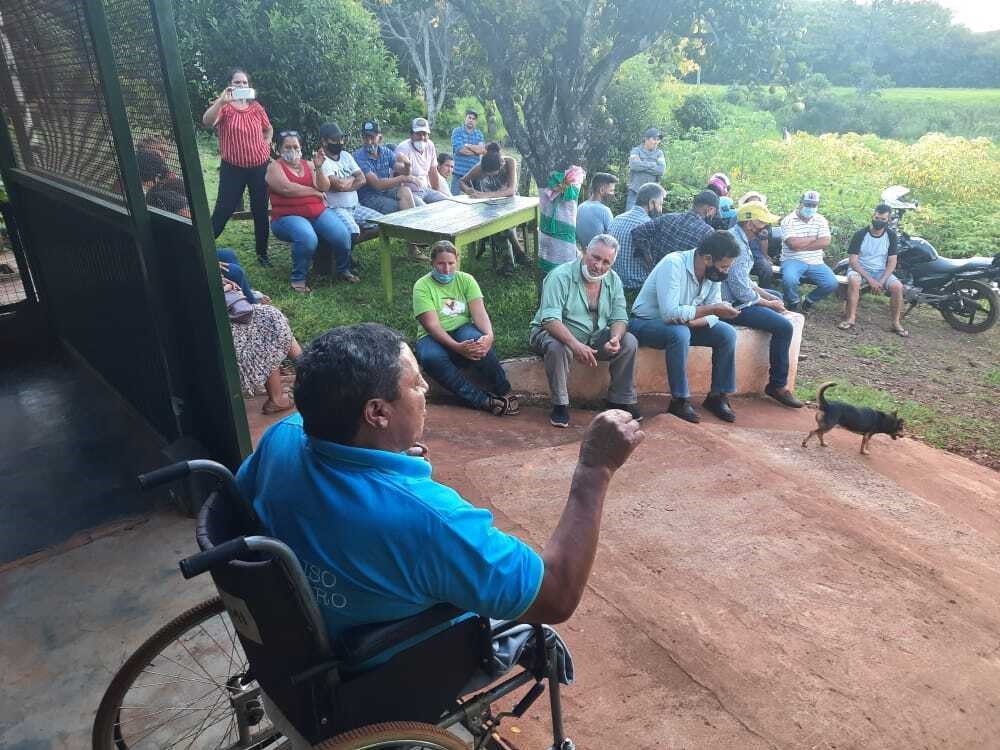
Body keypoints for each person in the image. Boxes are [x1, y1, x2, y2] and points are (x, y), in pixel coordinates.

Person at [236, 322, 645, 640]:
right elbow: (556, 595)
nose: (426, 388)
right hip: (388, 662)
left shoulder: (284, 435)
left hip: (294, 637)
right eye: (414, 384)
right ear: (377, 413)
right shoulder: (430, 520)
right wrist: (594, 471)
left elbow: (244, 503)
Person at [628, 231, 742, 424]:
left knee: (727, 333)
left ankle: (717, 396)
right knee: (680, 333)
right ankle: (679, 400)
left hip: (681, 326)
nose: (726, 272)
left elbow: (714, 315)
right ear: (707, 258)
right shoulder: (673, 263)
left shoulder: (712, 275)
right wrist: (711, 310)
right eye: (723, 266)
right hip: (644, 323)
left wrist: (694, 319)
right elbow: (670, 313)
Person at [530, 235, 641, 428]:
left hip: (594, 337)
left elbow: (620, 317)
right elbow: (550, 319)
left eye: (606, 262)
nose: (598, 266)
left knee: (628, 341)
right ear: (584, 251)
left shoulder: (614, 281)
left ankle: (619, 400)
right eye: (595, 257)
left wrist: (615, 338)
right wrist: (575, 345)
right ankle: (560, 404)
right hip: (553, 333)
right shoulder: (560, 276)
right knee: (558, 347)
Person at [413, 241, 518, 416]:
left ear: (457, 262)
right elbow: (431, 325)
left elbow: (479, 313)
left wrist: (489, 335)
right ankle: (482, 400)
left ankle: (504, 389)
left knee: (479, 343)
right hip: (432, 335)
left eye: (450, 263)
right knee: (431, 358)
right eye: (441, 263)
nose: (446, 269)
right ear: (432, 263)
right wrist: (457, 347)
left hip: (462, 327)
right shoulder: (422, 286)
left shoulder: (466, 280)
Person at [724, 203, 803, 408]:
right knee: (784, 327)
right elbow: (741, 292)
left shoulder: (739, 238)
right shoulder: (738, 246)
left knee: (776, 295)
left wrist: (769, 296)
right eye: (763, 223)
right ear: (750, 223)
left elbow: (744, 281)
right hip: (731, 306)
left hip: (737, 297)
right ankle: (777, 385)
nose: (766, 228)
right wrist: (769, 304)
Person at [145, 188, 270, 305]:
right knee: (235, 272)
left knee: (228, 254)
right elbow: (176, 259)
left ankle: (243, 293)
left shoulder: (176, 226)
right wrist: (206, 262)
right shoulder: (164, 232)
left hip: (192, 257)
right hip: (186, 267)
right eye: (184, 211)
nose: (189, 213)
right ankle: (253, 306)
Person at [266, 130, 356, 292]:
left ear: (301, 148)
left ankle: (343, 269)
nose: (292, 151)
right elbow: (287, 189)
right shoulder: (274, 167)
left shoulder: (309, 165)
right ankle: (298, 278)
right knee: (307, 237)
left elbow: (324, 187)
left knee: (342, 235)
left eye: (295, 146)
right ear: (279, 149)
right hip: (287, 215)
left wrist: (319, 168)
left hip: (316, 211)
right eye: (287, 147)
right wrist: (314, 192)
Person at [202, 68, 273, 267]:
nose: (241, 85)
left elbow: (268, 128)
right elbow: (207, 122)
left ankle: (262, 255)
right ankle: (201, 246)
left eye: (244, 83)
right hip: (233, 168)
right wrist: (221, 101)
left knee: (260, 210)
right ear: (230, 85)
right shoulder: (224, 107)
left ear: (249, 86)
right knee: (223, 210)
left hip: (259, 167)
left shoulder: (256, 107)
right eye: (237, 82)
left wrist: (266, 142)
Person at [223, 275, 302, 414]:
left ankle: (308, 369)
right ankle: (280, 396)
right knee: (269, 320)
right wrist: (229, 288)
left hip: (228, 317)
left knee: (268, 317)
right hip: (218, 324)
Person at [459, 142, 528, 275]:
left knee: (502, 222)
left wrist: (484, 194)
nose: (490, 177)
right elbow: (462, 181)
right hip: (489, 205)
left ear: (500, 165)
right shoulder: (481, 167)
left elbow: (511, 191)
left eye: (493, 175)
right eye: (487, 175)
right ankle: (517, 254)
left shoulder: (509, 162)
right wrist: (469, 190)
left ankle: (509, 260)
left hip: (510, 203)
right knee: (495, 221)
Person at [841, 204, 908, 337]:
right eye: (877, 218)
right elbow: (853, 261)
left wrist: (882, 280)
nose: (879, 221)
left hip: (880, 270)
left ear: (888, 220)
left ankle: (895, 322)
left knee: (897, 287)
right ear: (873, 216)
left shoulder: (891, 236)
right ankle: (851, 317)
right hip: (860, 268)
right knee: (854, 281)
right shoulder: (860, 234)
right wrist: (870, 280)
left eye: (883, 219)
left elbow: (892, 261)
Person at [315, 122, 382, 240]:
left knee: (383, 224)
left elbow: (362, 179)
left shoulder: (346, 155)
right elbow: (339, 185)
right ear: (324, 141)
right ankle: (343, 252)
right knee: (353, 232)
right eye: (335, 139)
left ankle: (348, 245)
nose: (340, 142)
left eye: (341, 138)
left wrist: (346, 183)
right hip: (336, 208)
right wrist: (352, 178)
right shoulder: (322, 160)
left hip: (356, 206)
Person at [630, 189, 719, 274]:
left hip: (657, 274)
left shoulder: (667, 218)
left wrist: (649, 259)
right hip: (681, 282)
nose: (713, 216)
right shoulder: (708, 232)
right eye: (714, 212)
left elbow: (638, 232)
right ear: (709, 209)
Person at [779, 190, 838, 312]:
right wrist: (813, 238)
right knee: (789, 279)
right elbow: (792, 244)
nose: (810, 208)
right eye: (807, 204)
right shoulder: (788, 220)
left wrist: (801, 245)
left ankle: (809, 300)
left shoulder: (821, 220)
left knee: (831, 283)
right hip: (792, 259)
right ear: (800, 203)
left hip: (815, 261)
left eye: (813, 205)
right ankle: (793, 302)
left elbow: (825, 241)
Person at [353, 120, 421, 214]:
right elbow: (377, 185)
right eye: (365, 138)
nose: (369, 142)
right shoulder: (358, 157)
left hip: (386, 191)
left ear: (380, 138)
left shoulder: (385, 152)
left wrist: (407, 164)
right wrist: (403, 178)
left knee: (410, 195)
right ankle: (410, 227)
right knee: (398, 207)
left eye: (372, 138)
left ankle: (412, 226)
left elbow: (404, 171)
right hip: (369, 197)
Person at [609, 182, 666, 290]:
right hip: (638, 286)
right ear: (652, 203)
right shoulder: (650, 226)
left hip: (614, 282)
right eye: (661, 204)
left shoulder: (616, 219)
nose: (661, 209)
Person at [393, 117, 449, 203]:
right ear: (411, 135)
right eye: (418, 134)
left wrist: (436, 191)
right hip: (411, 192)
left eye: (425, 134)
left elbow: (433, 172)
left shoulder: (430, 145)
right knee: (423, 210)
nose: (422, 137)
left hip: (426, 189)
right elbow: (397, 176)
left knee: (446, 202)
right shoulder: (403, 148)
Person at [737, 191, 776, 288]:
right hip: (740, 254)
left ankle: (765, 289)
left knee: (766, 268)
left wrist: (765, 255)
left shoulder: (764, 220)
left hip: (756, 254)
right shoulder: (737, 220)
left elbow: (764, 239)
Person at [626, 128, 665, 210]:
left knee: (651, 220)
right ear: (646, 139)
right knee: (629, 217)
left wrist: (642, 163)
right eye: (654, 139)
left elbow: (661, 170)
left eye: (658, 140)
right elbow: (634, 165)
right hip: (635, 192)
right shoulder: (636, 151)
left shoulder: (659, 153)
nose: (656, 142)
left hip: (652, 195)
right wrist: (652, 164)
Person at [575, 173, 618, 249]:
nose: (613, 194)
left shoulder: (580, 206)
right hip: (598, 253)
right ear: (601, 190)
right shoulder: (605, 211)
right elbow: (613, 239)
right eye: (611, 190)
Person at [450, 109, 486, 195]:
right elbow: (460, 150)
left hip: (474, 173)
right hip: (458, 173)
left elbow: (482, 150)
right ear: (465, 118)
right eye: (469, 117)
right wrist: (475, 150)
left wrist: (468, 146)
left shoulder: (479, 134)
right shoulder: (457, 131)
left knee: (478, 200)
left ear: (476, 121)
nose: (471, 120)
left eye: (473, 119)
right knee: (454, 201)